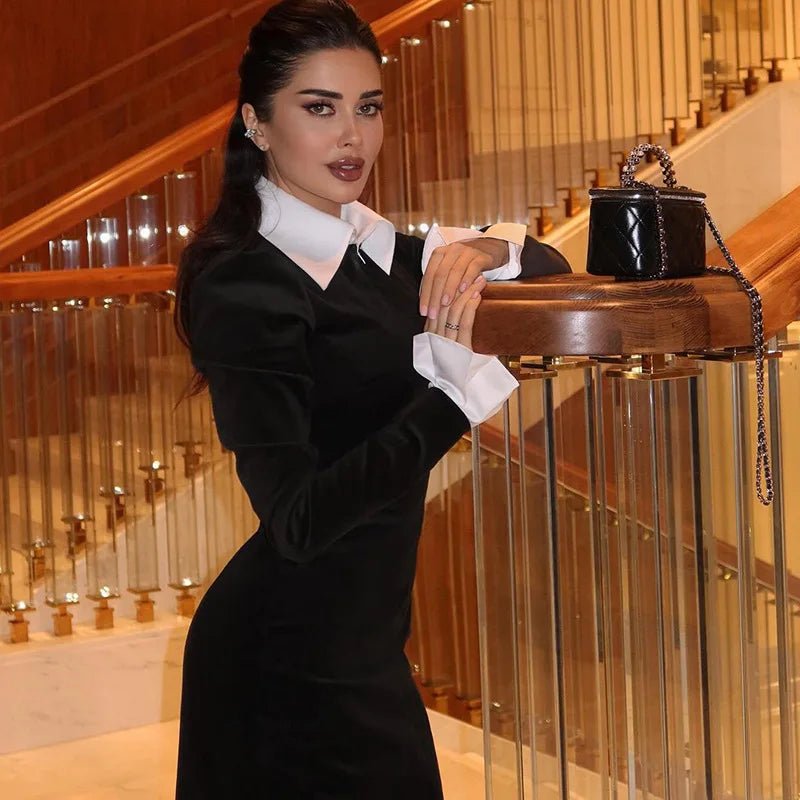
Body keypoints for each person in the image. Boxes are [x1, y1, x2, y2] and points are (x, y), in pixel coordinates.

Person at [173, 0, 569, 796]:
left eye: (368, 108)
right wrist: (448, 403)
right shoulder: (246, 282)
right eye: (319, 109)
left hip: (364, 646)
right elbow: (297, 519)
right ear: (257, 123)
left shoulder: (379, 253)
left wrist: (491, 249)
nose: (351, 137)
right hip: (279, 664)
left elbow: (551, 270)